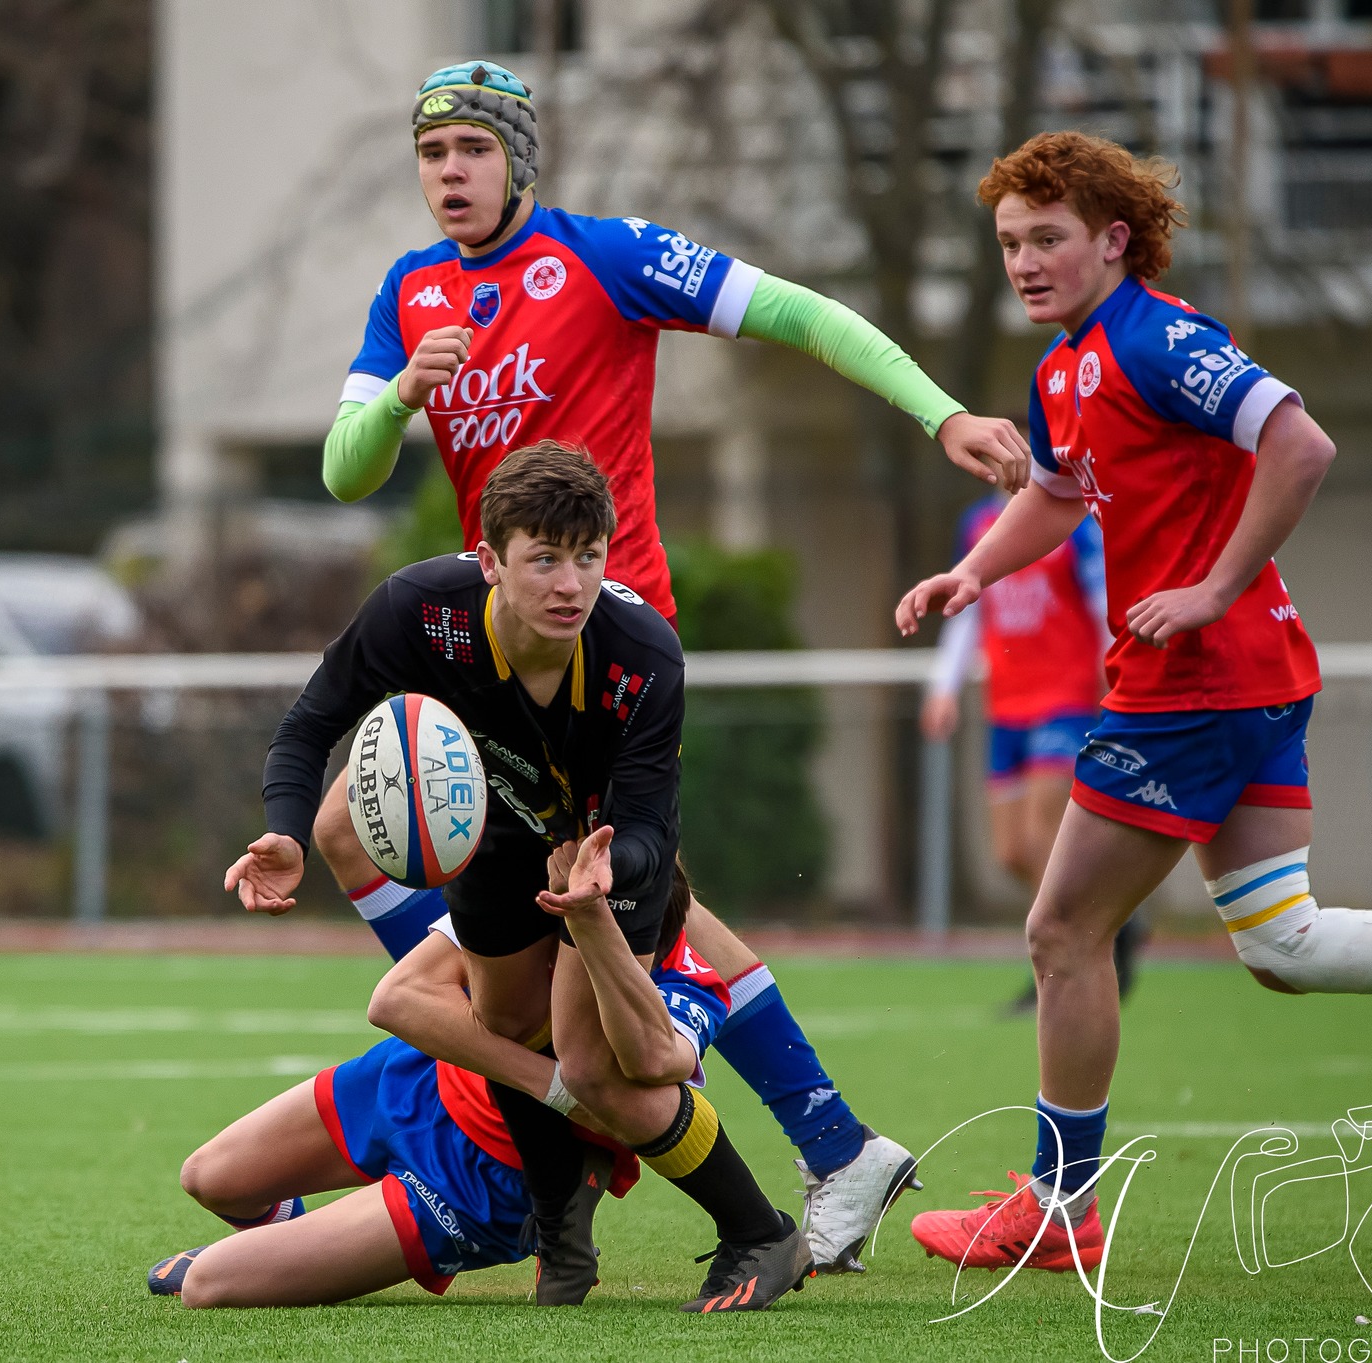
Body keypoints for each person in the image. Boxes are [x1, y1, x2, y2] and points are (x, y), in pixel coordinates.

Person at [292, 57, 998, 1268]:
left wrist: (941, 414)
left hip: (599, 643)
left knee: (611, 900)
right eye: (431, 153)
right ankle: (586, 1074)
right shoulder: (409, 292)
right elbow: (343, 470)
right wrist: (401, 392)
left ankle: (784, 1141)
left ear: (519, 158)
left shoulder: (606, 257)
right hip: (486, 644)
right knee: (352, 828)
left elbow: (797, 313)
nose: (449, 173)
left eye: (472, 149)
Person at [895, 131, 1372, 1274]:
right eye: (1008, 243)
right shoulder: (1063, 365)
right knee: (1283, 942)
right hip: (1245, 678)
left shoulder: (1155, 338)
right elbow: (1054, 494)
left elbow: (1299, 444)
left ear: (1112, 240)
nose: (1022, 262)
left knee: (1060, 930)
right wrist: (971, 574)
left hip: (1193, 685)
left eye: (1045, 239)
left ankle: (1057, 1208)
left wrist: (1212, 586)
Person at [225, 443, 810, 1311]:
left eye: (589, 556)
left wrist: (608, 869)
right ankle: (559, 1221)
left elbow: (649, 825)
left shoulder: (643, 653)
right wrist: (284, 830)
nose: (571, 584)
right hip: (494, 831)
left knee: (593, 1063)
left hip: (606, 852)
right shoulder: (421, 611)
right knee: (499, 1017)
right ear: (490, 560)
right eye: (545, 559)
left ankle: (759, 1230)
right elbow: (310, 724)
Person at [151, 872, 749, 1308]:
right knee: (208, 1178)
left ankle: (557, 1208)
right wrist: (552, 1086)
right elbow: (395, 1000)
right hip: (416, 1076)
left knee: (208, 1284)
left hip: (475, 1181)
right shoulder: (539, 894)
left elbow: (652, 1082)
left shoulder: (689, 984)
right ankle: (290, 1245)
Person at [921, 494, 1147, 1009]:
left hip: (1065, 700)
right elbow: (965, 610)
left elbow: (1102, 602)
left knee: (1045, 834)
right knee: (1013, 852)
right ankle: (1117, 915)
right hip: (1006, 707)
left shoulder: (1071, 518)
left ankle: (1061, 963)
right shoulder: (977, 522)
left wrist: (1114, 674)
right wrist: (943, 687)